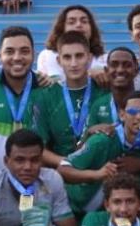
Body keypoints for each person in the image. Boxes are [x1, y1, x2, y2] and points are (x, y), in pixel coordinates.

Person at [58, 91, 140, 219]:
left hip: (107, 215)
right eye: (132, 112)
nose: (139, 117)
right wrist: (97, 174)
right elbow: (62, 170)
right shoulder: (103, 139)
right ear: (122, 115)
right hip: (71, 206)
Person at [0, 26, 52, 178]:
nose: (17, 57)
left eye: (24, 51)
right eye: (9, 51)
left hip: (34, 182)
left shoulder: (47, 87)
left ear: (34, 55)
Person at [34, 31, 110, 167]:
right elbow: (39, 148)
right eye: (67, 57)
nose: (73, 63)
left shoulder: (104, 90)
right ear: (59, 61)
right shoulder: (46, 96)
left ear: (90, 58)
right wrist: (67, 164)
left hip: (101, 172)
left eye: (79, 56)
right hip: (61, 173)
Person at [37, 5, 108, 83]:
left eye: (84, 21)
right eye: (71, 22)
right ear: (62, 28)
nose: (79, 25)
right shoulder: (47, 55)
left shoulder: (105, 58)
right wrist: (89, 75)